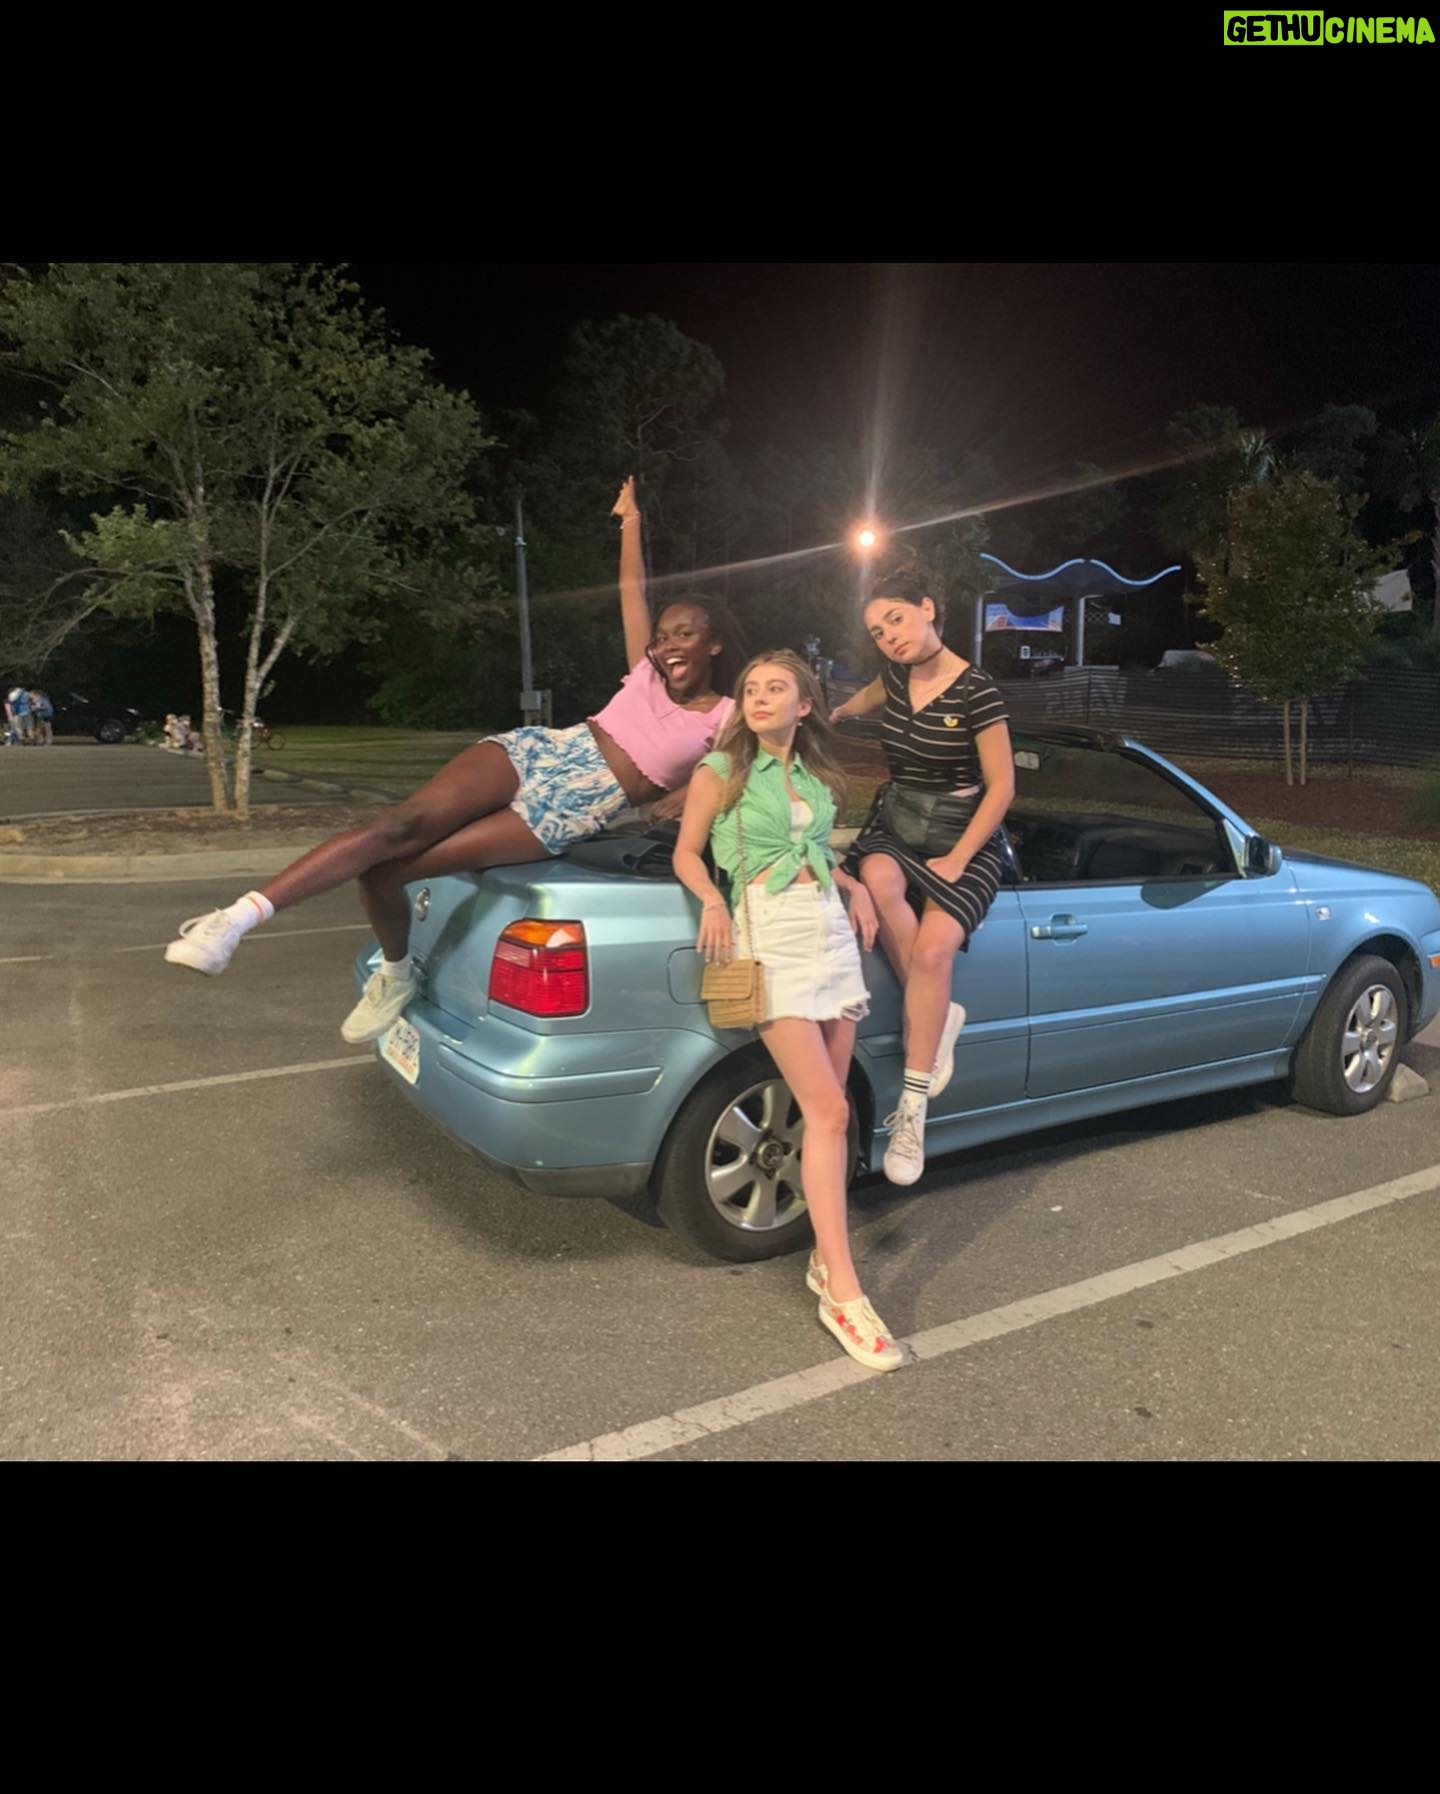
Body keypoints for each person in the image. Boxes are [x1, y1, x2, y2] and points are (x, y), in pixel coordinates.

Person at [163, 478, 749, 1047]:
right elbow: (631, 590)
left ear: (714, 644)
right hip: (543, 751)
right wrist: (631, 521)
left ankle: (396, 975)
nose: (668, 645)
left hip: (576, 807)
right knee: (398, 826)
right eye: (663, 636)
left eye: (685, 635)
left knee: (386, 873)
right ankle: (233, 922)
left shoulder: (726, 717)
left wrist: (688, 794)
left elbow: (745, 772)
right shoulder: (646, 673)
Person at [672, 649, 905, 1373]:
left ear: (805, 706)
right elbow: (687, 853)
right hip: (769, 933)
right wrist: (711, 901)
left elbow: (816, 852)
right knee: (828, 1110)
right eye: (750, 689)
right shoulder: (720, 772)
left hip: (828, 931)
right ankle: (843, 1290)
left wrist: (854, 886)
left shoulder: (815, 775)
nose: (759, 698)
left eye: (776, 689)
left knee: (829, 1114)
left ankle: (824, 1262)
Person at [831, 557, 1015, 1188]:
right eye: (878, 631)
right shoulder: (895, 675)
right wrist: (836, 712)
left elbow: (1002, 787)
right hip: (898, 823)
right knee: (880, 880)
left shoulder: (977, 690)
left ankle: (912, 1111)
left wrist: (959, 859)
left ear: (928, 609)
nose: (890, 636)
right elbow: (869, 696)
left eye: (897, 620)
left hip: (964, 835)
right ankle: (939, 1019)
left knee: (935, 951)